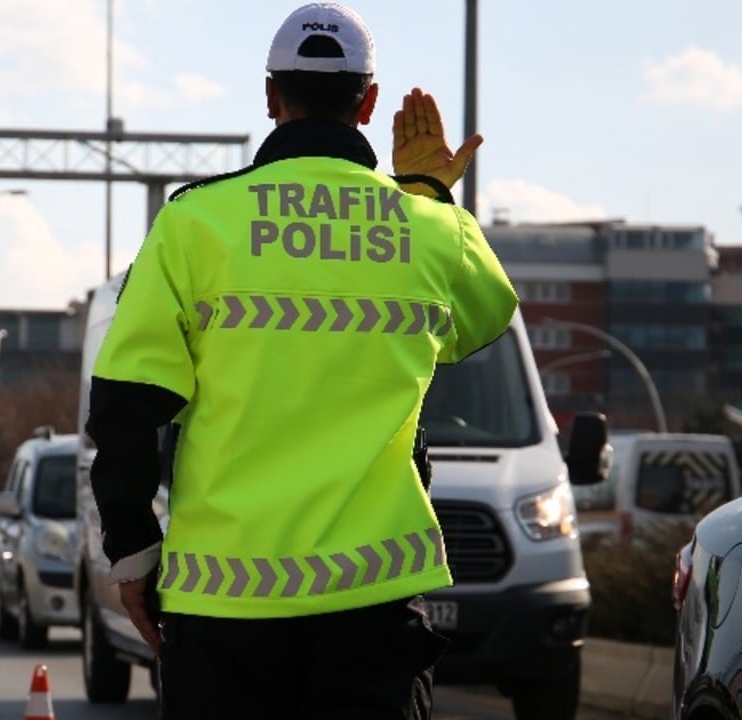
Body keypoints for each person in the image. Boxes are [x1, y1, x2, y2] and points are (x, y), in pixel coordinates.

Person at [85, 3, 519, 718]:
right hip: (373, 607)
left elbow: (127, 407)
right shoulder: (430, 229)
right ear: (369, 103)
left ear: (270, 96)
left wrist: (133, 553)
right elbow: (484, 318)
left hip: (220, 608)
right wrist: (429, 194)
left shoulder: (194, 222)